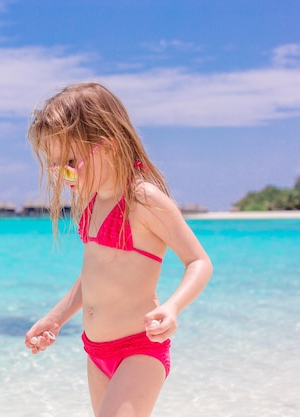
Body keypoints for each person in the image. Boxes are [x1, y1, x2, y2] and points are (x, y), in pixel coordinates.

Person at [24, 82, 213, 417]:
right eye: (55, 166)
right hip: (96, 350)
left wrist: (172, 308)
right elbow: (94, 276)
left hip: (139, 348)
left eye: (70, 162)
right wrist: (56, 318)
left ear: (107, 146)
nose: (63, 176)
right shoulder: (92, 202)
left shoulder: (144, 200)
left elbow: (198, 261)